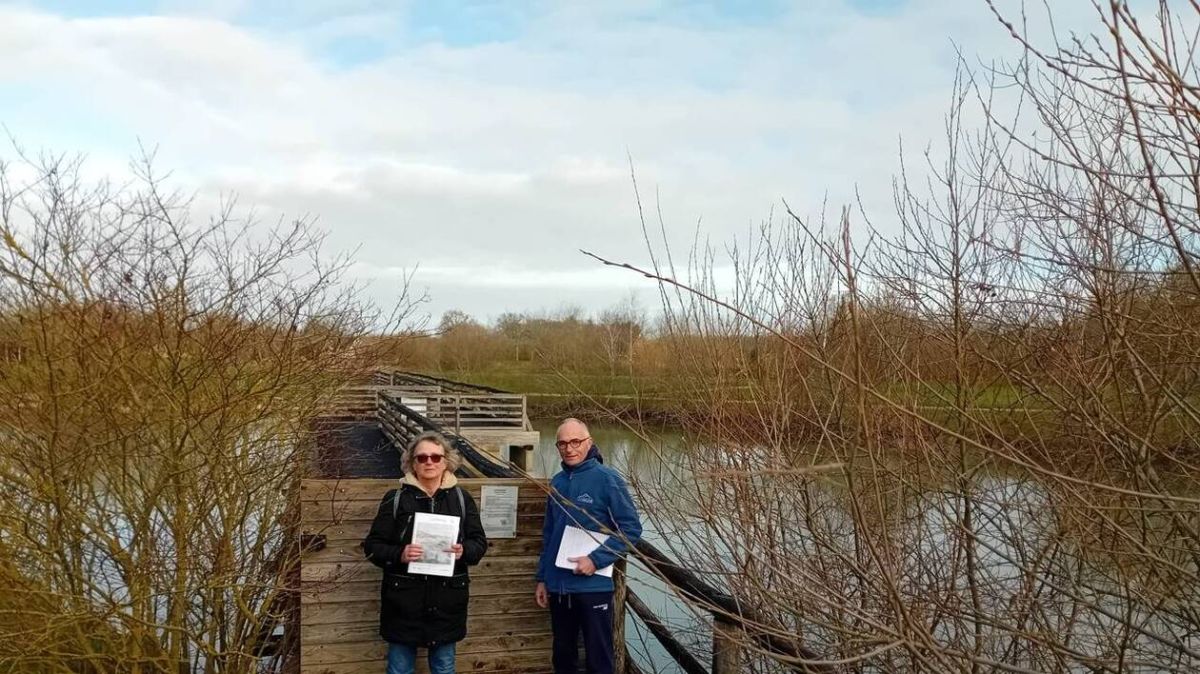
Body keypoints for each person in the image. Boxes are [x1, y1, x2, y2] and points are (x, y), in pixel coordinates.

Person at [362, 431, 488, 674]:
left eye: (435, 457)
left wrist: (464, 551)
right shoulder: (395, 499)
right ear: (412, 463)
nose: (429, 462)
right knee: (399, 669)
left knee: (443, 667)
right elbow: (372, 547)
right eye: (421, 458)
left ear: (446, 461)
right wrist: (399, 553)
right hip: (403, 603)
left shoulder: (462, 499)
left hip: (447, 603)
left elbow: (479, 543)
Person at [535, 418, 643, 674]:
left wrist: (596, 559)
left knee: (599, 659)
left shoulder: (607, 479)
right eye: (562, 443)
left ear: (589, 442)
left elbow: (631, 529)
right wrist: (542, 578)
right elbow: (549, 534)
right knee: (563, 657)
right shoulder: (558, 482)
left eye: (575, 442)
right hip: (559, 587)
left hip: (593, 587)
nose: (569, 449)